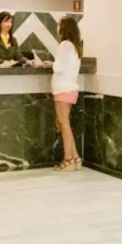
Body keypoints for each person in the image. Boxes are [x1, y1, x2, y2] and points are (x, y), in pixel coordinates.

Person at [48, 16, 82, 171]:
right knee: (63, 123)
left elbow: (59, 67)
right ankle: (75, 158)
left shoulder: (64, 45)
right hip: (70, 88)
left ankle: (68, 160)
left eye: (59, 26)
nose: (57, 29)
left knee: (64, 124)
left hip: (63, 88)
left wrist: (52, 64)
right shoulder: (74, 46)